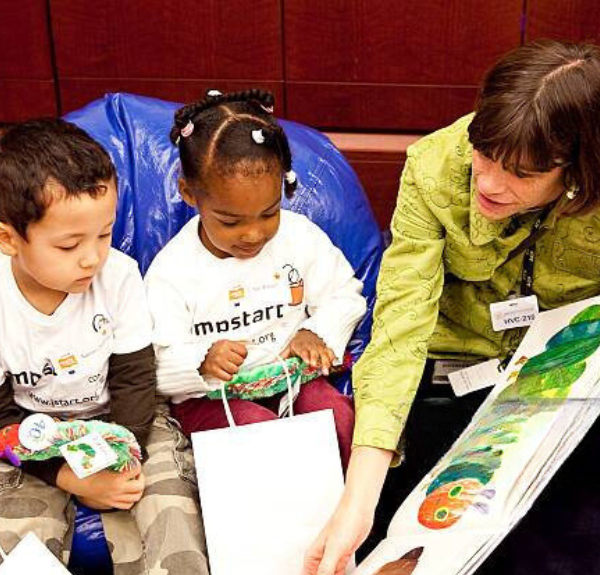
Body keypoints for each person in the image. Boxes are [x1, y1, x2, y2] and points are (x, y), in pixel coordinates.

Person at [304, 39, 600, 575]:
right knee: (402, 539)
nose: (488, 182)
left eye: (523, 174)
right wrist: (358, 498)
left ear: (576, 167)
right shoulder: (435, 166)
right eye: (484, 154)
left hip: (570, 380)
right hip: (451, 379)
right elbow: (398, 327)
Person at [0, 119, 208, 574]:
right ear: (9, 239)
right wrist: (65, 474)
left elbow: (135, 378)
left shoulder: (119, 276)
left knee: (175, 526)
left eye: (104, 234)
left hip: (125, 420)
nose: (93, 257)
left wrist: (117, 456)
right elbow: (1, 420)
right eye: (70, 244)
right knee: (15, 549)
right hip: (32, 434)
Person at [145, 89, 365, 470]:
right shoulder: (172, 273)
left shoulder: (300, 238)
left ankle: (342, 517)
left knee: (337, 419)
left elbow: (346, 296)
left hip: (291, 381)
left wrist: (317, 332)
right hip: (214, 401)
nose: (253, 235)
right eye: (230, 221)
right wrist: (201, 363)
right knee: (257, 435)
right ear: (189, 193)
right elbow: (156, 368)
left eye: (269, 213)